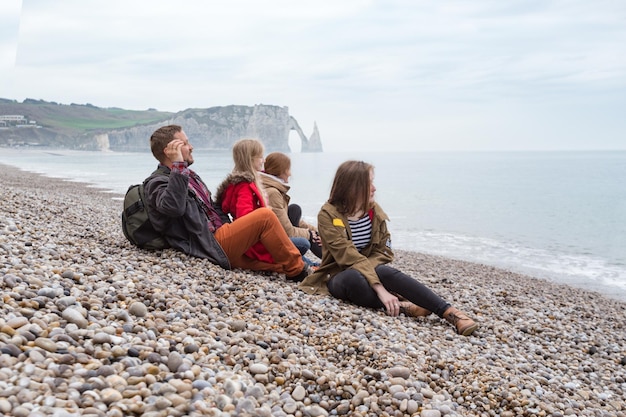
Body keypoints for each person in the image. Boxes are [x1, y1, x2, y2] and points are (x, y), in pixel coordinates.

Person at [299, 160, 479, 336]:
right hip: (339, 274)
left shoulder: (374, 211)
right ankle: (403, 307)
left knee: (384, 271)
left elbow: (385, 251)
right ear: (353, 186)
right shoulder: (328, 214)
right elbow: (347, 255)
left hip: (374, 269)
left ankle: (451, 313)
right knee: (354, 278)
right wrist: (380, 289)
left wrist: (373, 273)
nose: (374, 188)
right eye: (369, 183)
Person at [143, 125, 310, 281]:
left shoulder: (190, 175)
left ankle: (311, 271)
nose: (191, 147)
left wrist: (231, 229)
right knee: (265, 216)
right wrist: (178, 166)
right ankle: (298, 270)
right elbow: (173, 208)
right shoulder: (157, 182)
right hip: (209, 243)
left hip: (221, 237)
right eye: (185, 144)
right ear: (170, 151)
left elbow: (214, 207)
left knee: (278, 264)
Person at [214, 138, 276, 265]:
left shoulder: (236, 183)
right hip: (255, 245)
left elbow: (224, 207)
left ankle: (309, 265)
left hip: (254, 241)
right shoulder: (244, 186)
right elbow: (246, 218)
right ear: (250, 159)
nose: (264, 160)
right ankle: (303, 267)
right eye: (260, 157)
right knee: (302, 244)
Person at [260, 152, 323, 265]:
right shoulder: (273, 193)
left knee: (294, 210)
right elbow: (287, 231)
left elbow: (292, 222)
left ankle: (327, 262)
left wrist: (316, 231)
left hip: (276, 234)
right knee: (306, 241)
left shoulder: (273, 189)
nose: (290, 173)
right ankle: (334, 263)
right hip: (272, 242)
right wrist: (310, 234)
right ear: (281, 171)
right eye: (288, 169)